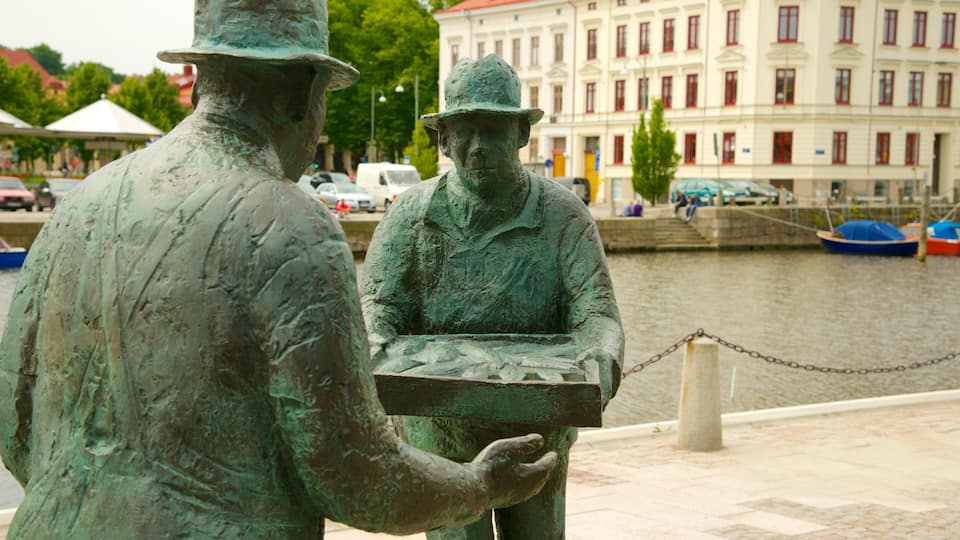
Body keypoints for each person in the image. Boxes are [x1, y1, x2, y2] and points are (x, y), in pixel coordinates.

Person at [0, 3, 556, 539]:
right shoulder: (292, 227)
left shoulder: (78, 206)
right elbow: (356, 476)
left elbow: (15, 428)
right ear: (302, 94)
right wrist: (479, 486)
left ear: (198, 83)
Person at [361, 55, 624, 540]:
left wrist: (601, 357)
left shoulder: (565, 217)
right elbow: (377, 307)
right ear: (444, 138)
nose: (478, 147)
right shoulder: (409, 218)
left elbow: (596, 312)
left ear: (520, 135)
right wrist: (375, 341)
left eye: (493, 130)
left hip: (536, 431)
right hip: (438, 437)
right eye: (465, 130)